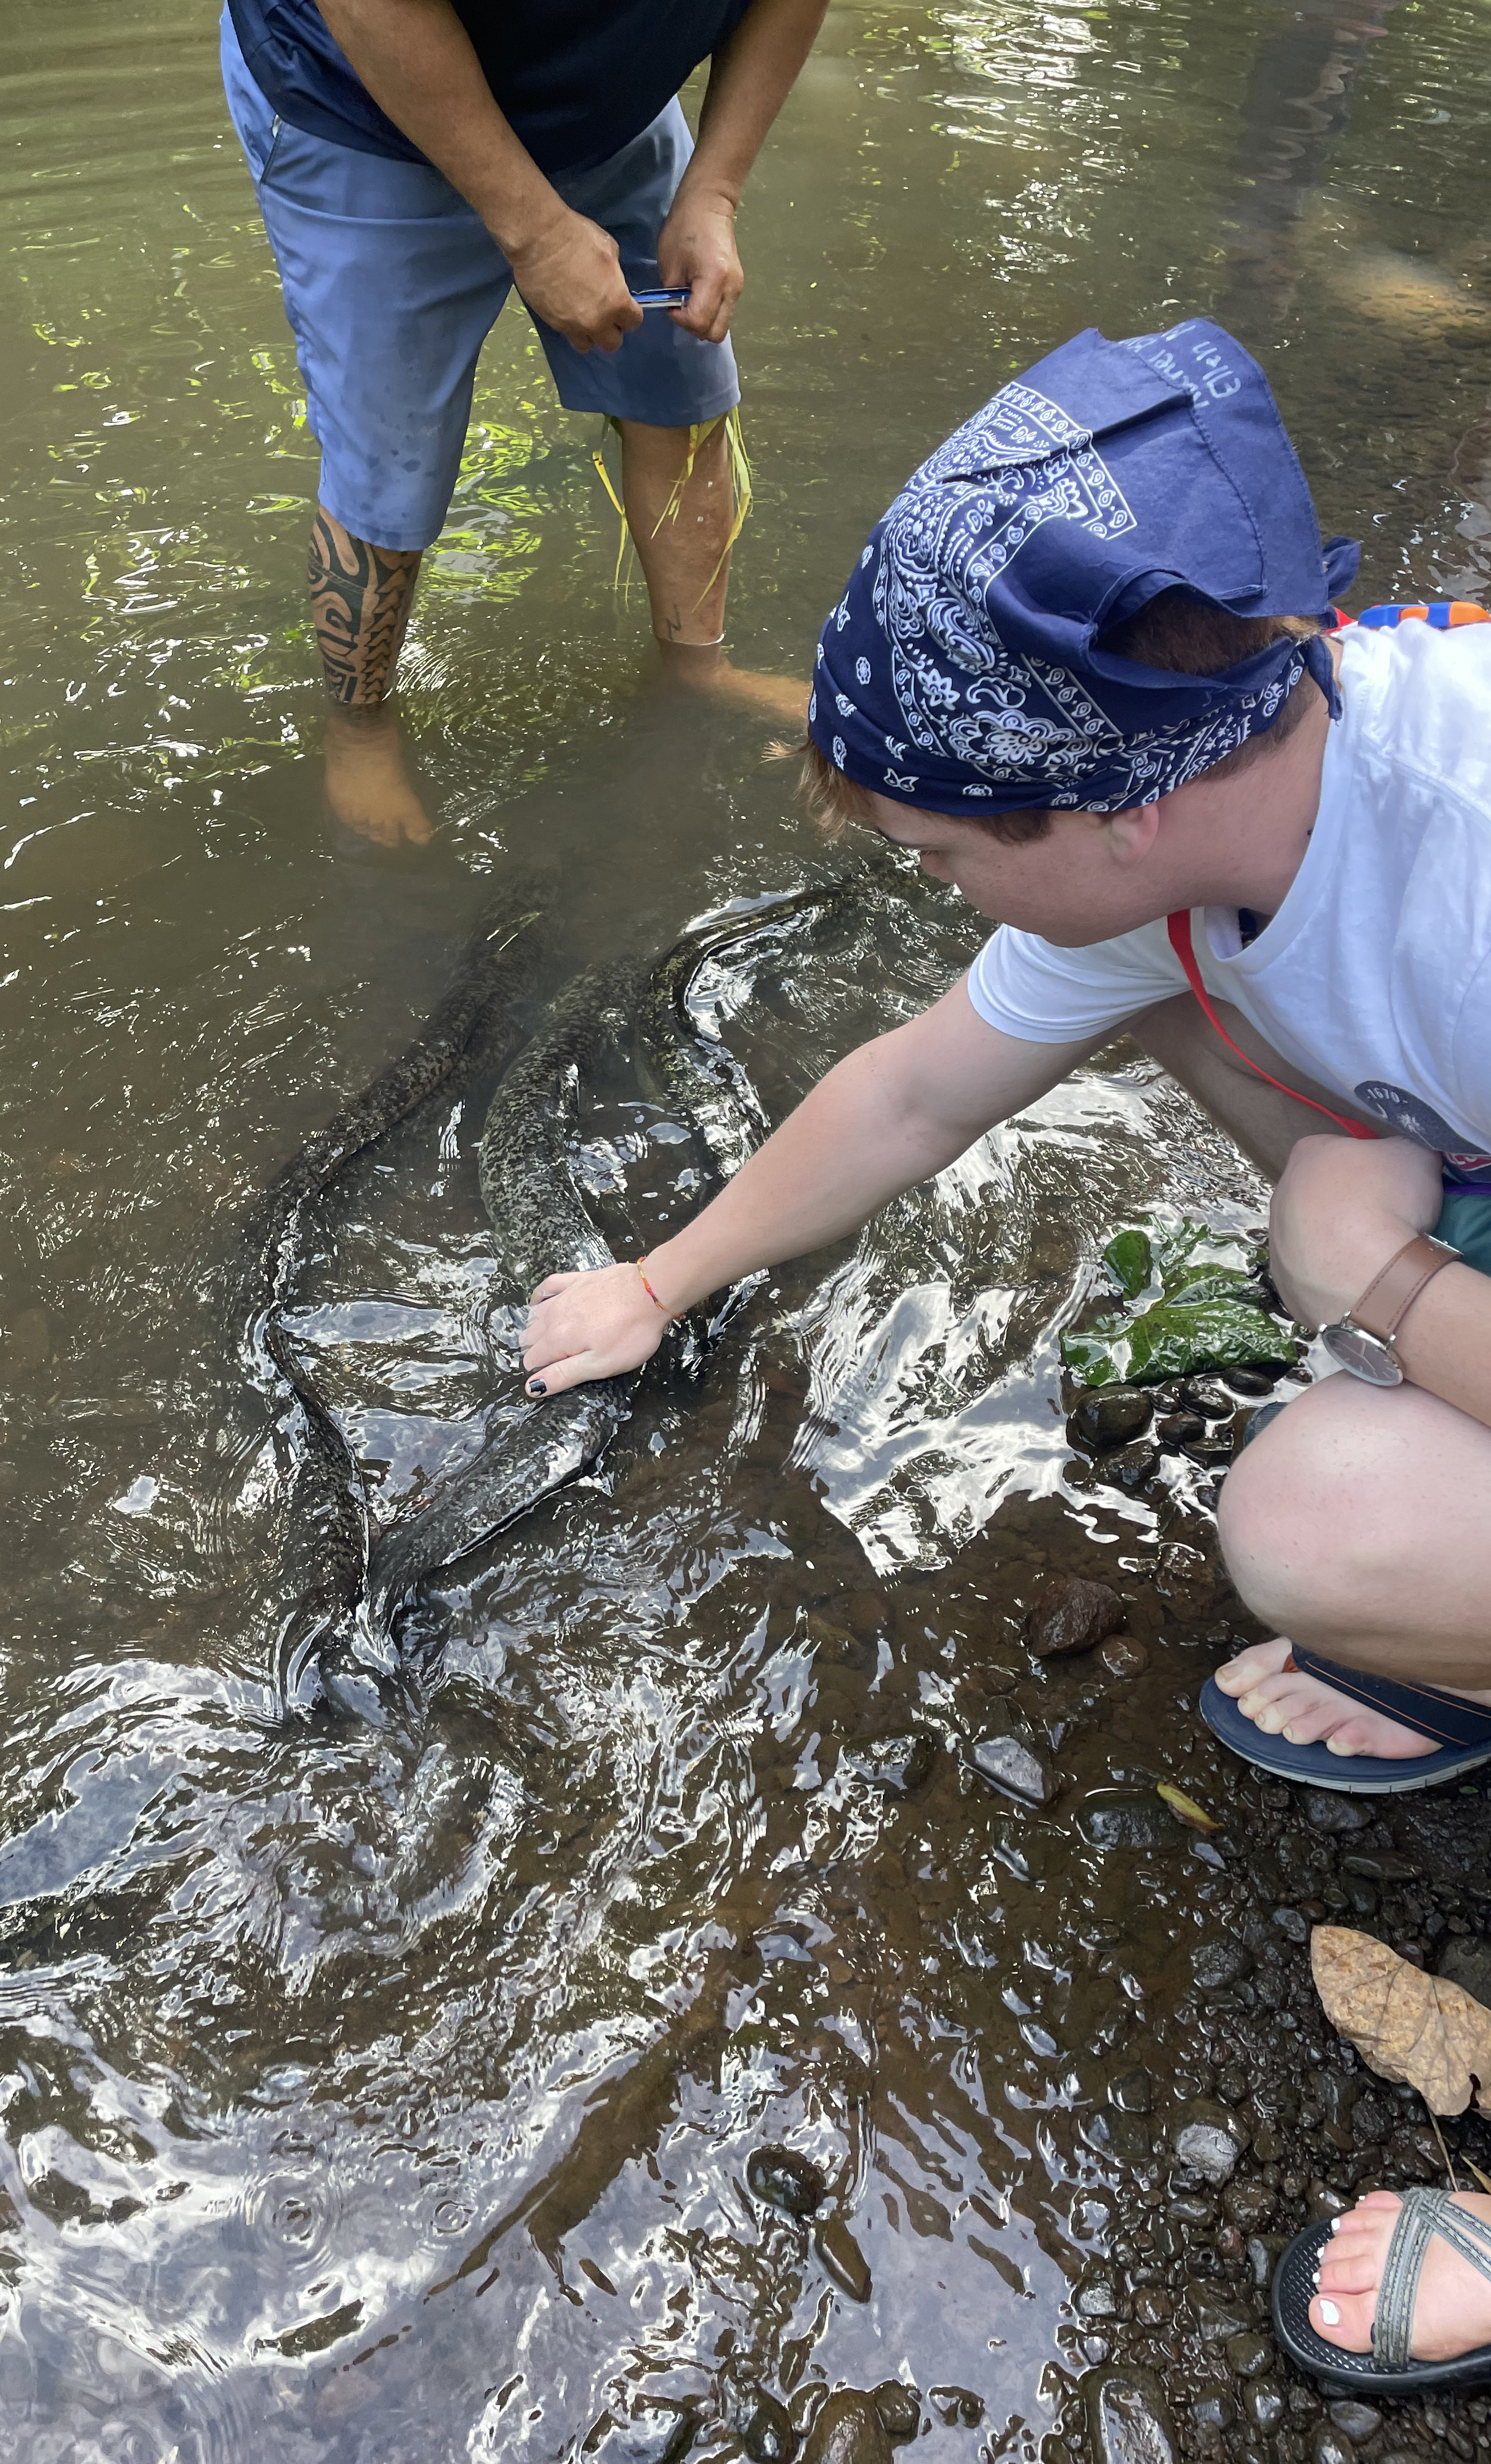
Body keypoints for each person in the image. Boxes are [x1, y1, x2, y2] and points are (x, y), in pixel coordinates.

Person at [517, 318, 1491, 2385]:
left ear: (1105, 810)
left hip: (1425, 1257)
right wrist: (662, 1285)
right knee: (1149, 1013)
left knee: (1313, 1510)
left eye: (948, 854)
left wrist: (1387, 1294)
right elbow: (912, 1091)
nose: (938, 892)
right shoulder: (1224, 782)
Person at [220, 0, 824, 849]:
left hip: (610, 112)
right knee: (389, 459)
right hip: (361, 109)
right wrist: (537, 235)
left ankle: (697, 671)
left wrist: (715, 191)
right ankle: (358, 730)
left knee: (681, 389)